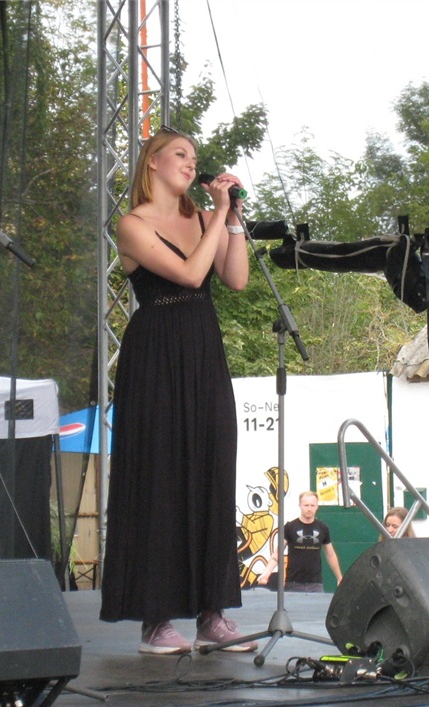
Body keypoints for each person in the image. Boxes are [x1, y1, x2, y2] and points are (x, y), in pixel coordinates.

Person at [99, 125, 255, 655]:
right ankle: (156, 620)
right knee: (159, 475)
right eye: (180, 154)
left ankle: (213, 613)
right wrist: (216, 215)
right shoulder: (133, 224)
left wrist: (229, 219)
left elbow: (235, 279)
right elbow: (189, 274)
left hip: (202, 347)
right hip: (156, 352)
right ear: (153, 163)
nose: (191, 163)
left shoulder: (206, 219)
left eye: (194, 156)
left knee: (212, 468)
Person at [258, 491, 343, 593]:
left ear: (317, 506)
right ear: (300, 506)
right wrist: (266, 574)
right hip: (293, 584)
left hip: (315, 584)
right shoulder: (290, 527)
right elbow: (278, 553)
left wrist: (339, 578)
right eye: (306, 505)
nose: (309, 509)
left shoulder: (323, 528)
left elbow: (331, 555)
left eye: (312, 505)